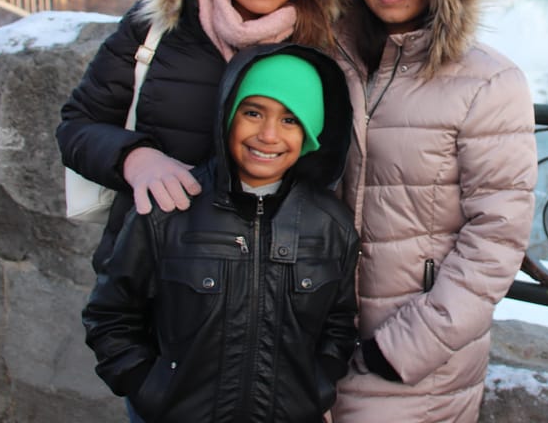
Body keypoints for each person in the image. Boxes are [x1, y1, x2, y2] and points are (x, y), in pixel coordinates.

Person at [320, 0, 538, 422]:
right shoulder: (333, 61)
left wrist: (406, 347)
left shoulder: (489, 82)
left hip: (414, 362)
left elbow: (496, 239)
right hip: (317, 346)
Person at [57, 0, 336, 274]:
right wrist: (136, 159)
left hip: (269, 286)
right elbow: (77, 126)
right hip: (155, 272)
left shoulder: (319, 47)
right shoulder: (157, 28)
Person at [82, 43, 359, 422]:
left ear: (310, 133)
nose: (268, 134)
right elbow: (111, 314)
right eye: (253, 112)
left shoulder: (331, 225)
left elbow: (339, 323)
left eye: (290, 119)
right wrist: (149, 388)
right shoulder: (171, 209)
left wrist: (317, 384)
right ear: (229, 115)